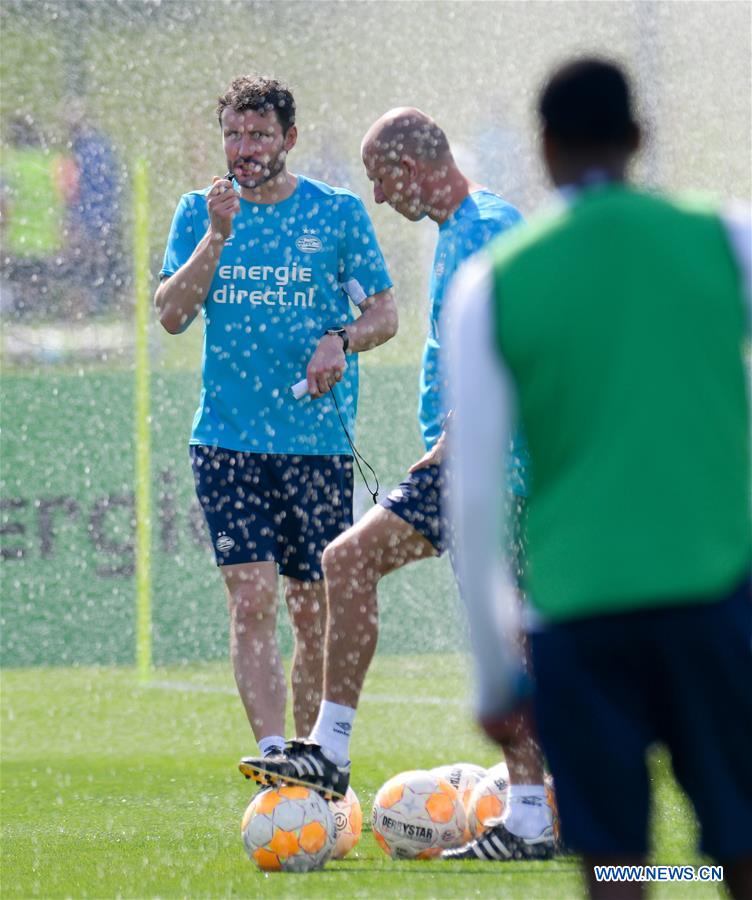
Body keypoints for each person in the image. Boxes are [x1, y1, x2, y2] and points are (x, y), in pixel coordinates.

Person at [446, 59, 751, 898]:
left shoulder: (493, 284)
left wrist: (494, 672)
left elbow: (471, 498)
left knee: (617, 865)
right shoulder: (726, 237)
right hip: (716, 598)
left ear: (542, 148)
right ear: (640, 137)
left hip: (578, 619)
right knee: (742, 845)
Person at [240, 108, 557, 861]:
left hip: (485, 463)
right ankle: (534, 811)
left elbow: (510, 346)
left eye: (383, 181)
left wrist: (450, 442)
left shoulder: (482, 229)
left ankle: (335, 750)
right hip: (486, 460)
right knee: (515, 636)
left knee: (349, 561)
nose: (380, 198)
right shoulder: (470, 227)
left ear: (412, 169)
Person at [155, 76, 398, 763]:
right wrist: (216, 236)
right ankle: (271, 753)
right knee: (251, 600)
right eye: (234, 134)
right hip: (227, 441)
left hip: (315, 444)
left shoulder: (336, 213)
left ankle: (312, 758)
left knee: (310, 609)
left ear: (289, 139)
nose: (245, 148)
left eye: (259, 134)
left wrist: (341, 340)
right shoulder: (199, 213)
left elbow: (384, 314)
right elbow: (171, 315)